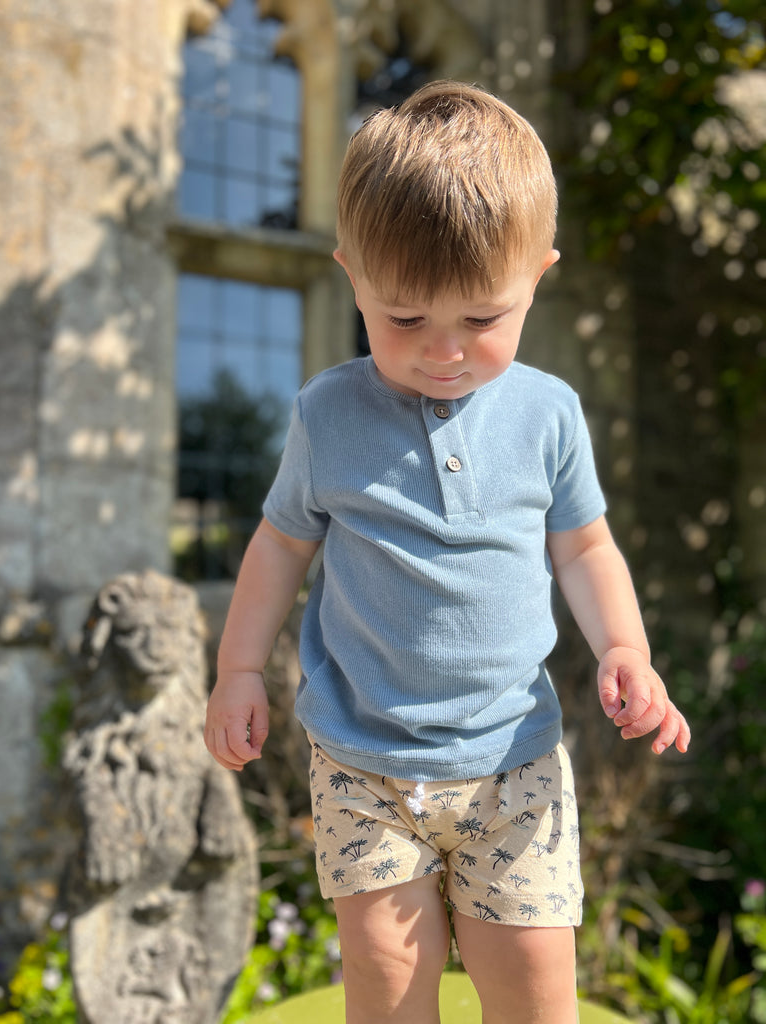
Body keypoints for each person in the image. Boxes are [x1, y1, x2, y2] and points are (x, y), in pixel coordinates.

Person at [204, 80, 690, 1024]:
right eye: (402, 320)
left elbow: (585, 547)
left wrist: (624, 648)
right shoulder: (328, 414)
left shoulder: (548, 414)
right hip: (364, 765)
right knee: (386, 995)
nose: (442, 351)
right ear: (352, 278)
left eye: (480, 319)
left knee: (536, 997)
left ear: (537, 277)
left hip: (516, 761)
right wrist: (236, 668)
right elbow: (277, 545)